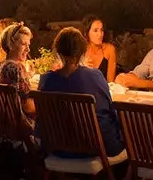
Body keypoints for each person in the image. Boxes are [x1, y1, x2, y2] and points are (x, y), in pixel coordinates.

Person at [37, 27, 125, 159]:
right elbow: (109, 110)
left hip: (59, 148)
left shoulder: (46, 80)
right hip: (97, 147)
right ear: (83, 51)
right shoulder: (95, 76)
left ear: (58, 51)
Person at [0, 22, 35, 122]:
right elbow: (28, 107)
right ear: (11, 44)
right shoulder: (17, 68)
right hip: (20, 127)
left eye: (28, 45)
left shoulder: (0, 66)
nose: (28, 49)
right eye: (23, 44)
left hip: (2, 125)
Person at [81, 16, 118, 83]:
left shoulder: (109, 50)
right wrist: (81, 67)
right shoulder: (81, 50)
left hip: (101, 91)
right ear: (86, 33)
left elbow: (110, 83)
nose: (100, 34)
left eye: (102, 30)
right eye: (95, 30)